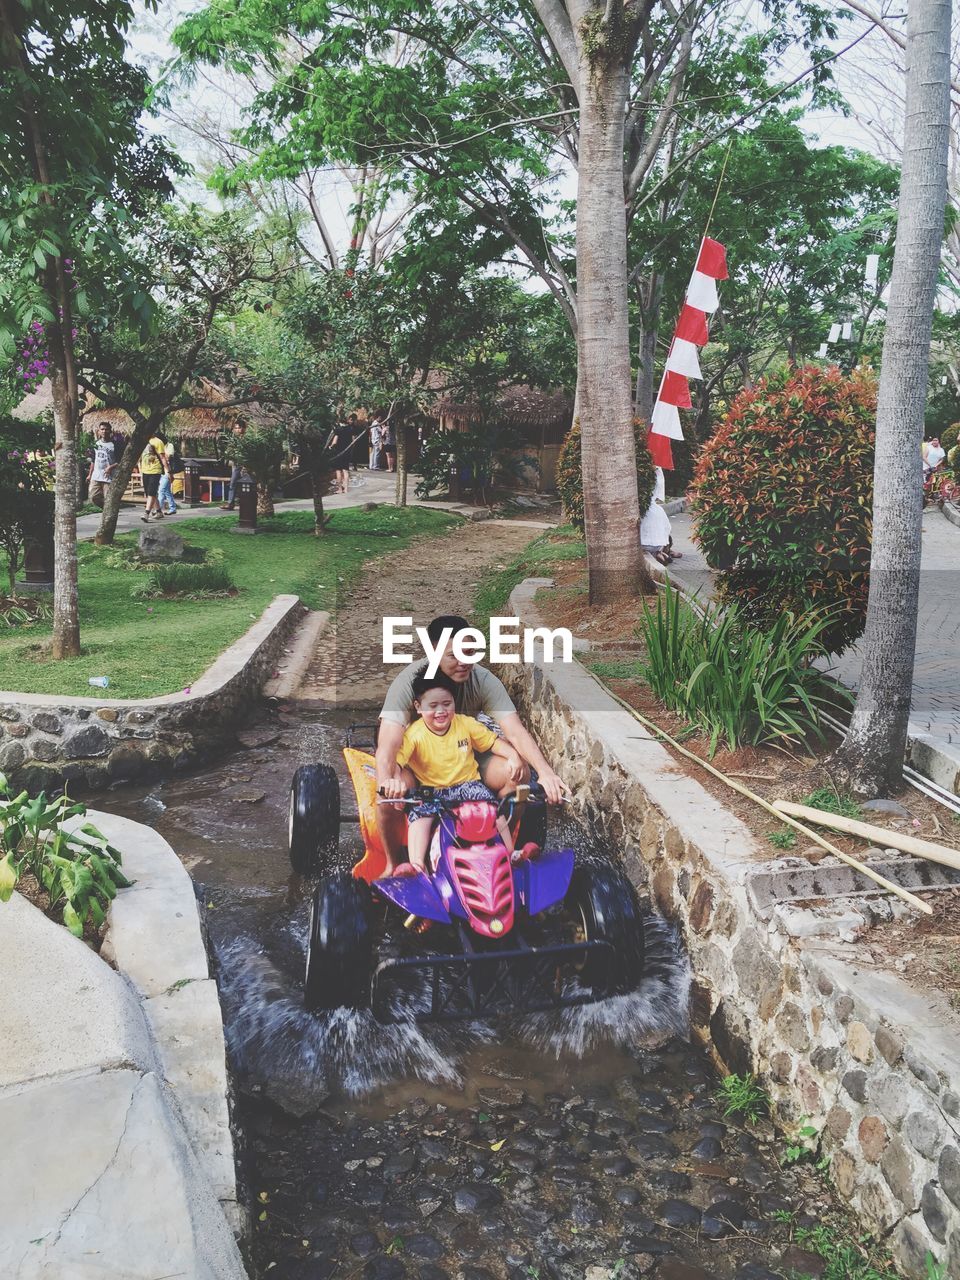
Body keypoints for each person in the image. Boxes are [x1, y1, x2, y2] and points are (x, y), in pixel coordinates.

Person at [376, 614, 568, 872]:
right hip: (418, 761)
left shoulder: (482, 680)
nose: (464, 662)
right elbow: (388, 745)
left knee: (519, 774)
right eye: (454, 656)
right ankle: (394, 863)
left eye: (469, 653)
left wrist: (545, 773)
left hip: (465, 756)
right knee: (389, 799)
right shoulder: (409, 683)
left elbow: (515, 731)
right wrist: (387, 780)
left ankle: (500, 853)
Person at [394, 672, 522, 875]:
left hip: (468, 786)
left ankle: (510, 853)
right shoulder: (414, 734)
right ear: (418, 707)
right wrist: (394, 780)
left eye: (447, 703)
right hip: (433, 791)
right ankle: (418, 866)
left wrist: (513, 755)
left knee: (492, 811)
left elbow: (493, 742)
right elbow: (397, 761)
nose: (441, 711)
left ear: (454, 702)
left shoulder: (464, 723)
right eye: (432, 706)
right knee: (419, 818)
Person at [86, 422, 117, 509]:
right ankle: (106, 508)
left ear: (110, 431)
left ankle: (108, 511)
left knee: (109, 498)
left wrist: (111, 467)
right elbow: (93, 460)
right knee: (93, 497)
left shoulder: (115, 445)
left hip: (109, 476)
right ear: (99, 431)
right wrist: (89, 475)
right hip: (96, 475)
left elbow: (121, 461)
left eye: (106, 429)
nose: (104, 431)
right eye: (102, 429)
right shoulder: (95, 444)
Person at [139, 432, 166, 522]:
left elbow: (162, 457)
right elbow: (140, 457)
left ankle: (146, 513)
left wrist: (168, 471)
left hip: (155, 470)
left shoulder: (158, 442)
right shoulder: (142, 441)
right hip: (145, 470)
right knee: (150, 493)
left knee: (151, 492)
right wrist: (140, 470)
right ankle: (158, 512)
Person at [221, 423, 247, 510]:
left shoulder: (246, 439)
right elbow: (229, 451)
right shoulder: (233, 440)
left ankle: (246, 502)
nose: (237, 430)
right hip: (236, 465)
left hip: (245, 465)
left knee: (246, 484)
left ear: (243, 428)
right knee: (233, 484)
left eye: (239, 428)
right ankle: (230, 503)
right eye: (235, 428)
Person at [158, 436, 180, 516]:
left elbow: (167, 457)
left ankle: (158, 510)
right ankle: (173, 508)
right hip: (160, 471)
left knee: (161, 490)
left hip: (167, 471)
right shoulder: (158, 447)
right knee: (167, 491)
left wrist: (161, 455)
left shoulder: (169, 446)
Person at [329, 421, 350, 493]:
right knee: (345, 470)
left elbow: (335, 442)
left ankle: (340, 489)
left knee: (338, 470)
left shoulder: (338, 430)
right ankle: (346, 489)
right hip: (347, 452)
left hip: (339, 452)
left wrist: (330, 446)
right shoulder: (349, 430)